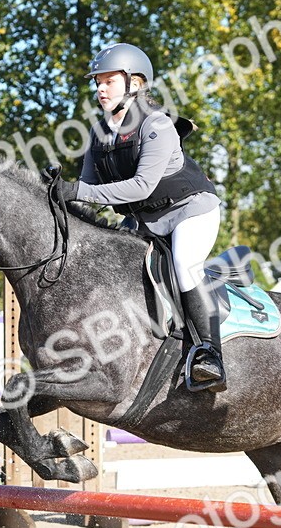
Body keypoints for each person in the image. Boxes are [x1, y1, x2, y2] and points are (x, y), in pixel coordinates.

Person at [48, 43, 226, 392]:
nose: (100, 89)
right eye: (98, 82)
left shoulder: (156, 124)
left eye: (109, 81)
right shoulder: (98, 133)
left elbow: (141, 186)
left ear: (136, 83)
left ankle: (209, 354)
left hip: (189, 210)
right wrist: (55, 194)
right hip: (145, 221)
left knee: (185, 265)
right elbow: (88, 191)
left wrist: (79, 191)